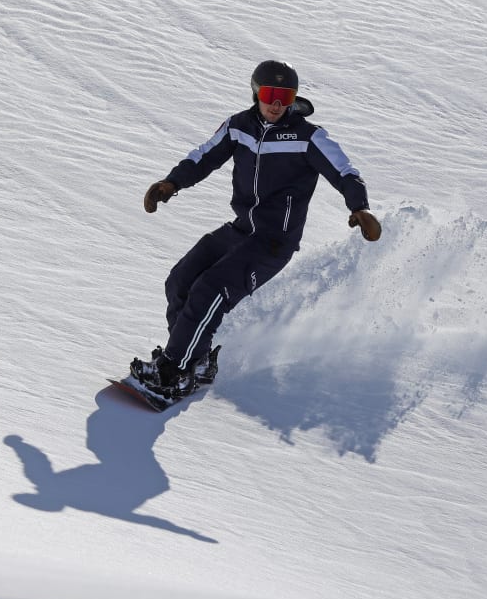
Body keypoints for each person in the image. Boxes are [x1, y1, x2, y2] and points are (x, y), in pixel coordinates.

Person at [132, 60, 381, 397]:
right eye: (269, 94)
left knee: (210, 290)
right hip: (241, 229)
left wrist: (359, 207)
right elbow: (205, 156)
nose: (277, 104)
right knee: (180, 280)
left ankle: (174, 369)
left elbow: (345, 172)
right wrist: (171, 183)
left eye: (285, 96)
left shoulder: (308, 137)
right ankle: (197, 361)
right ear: (256, 92)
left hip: (272, 243)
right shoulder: (239, 127)